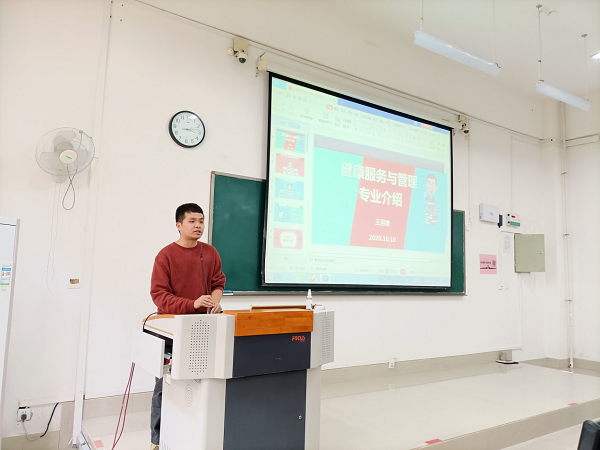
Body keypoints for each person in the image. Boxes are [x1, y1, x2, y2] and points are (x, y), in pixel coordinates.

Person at [149, 203, 226, 450]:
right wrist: (192, 304)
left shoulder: (210, 253)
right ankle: (157, 440)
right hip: (172, 331)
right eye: (192, 221)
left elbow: (218, 282)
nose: (198, 226)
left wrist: (214, 303)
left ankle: (194, 433)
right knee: (164, 386)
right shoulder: (165, 255)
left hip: (203, 328)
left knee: (203, 384)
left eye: (201, 221)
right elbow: (159, 296)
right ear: (178, 225)